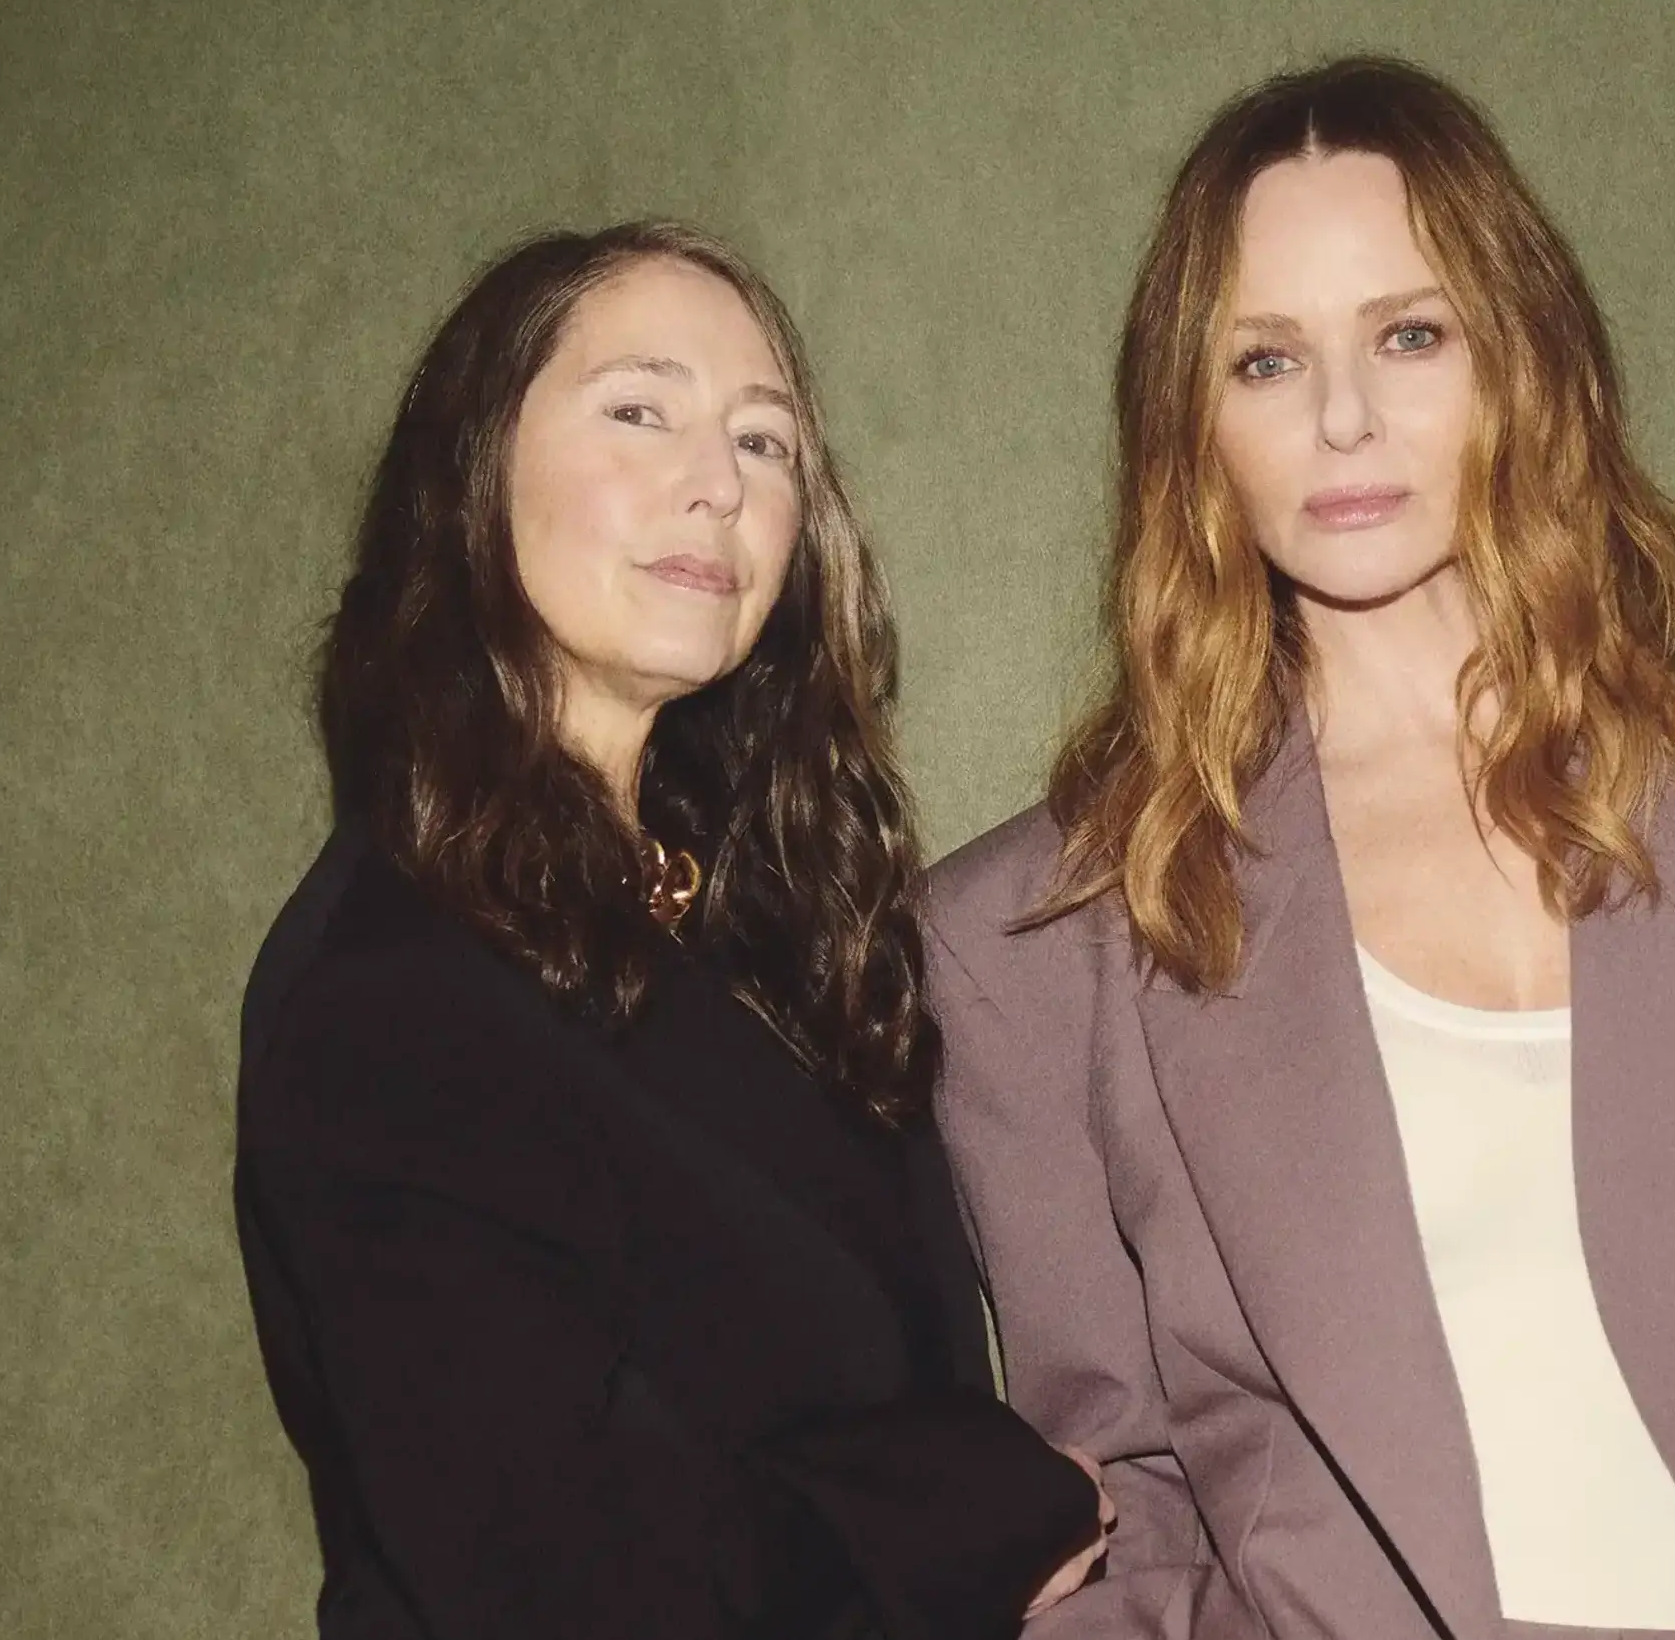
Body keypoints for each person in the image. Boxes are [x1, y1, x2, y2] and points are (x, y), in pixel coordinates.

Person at [927, 58, 1675, 1640]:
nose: (1343, 415)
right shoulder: (1042, 939)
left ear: (1523, 352)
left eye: (1409, 334)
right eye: (1265, 359)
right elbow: (1123, 1512)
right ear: (1190, 422)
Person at [234, 220, 1110, 1640]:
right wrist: (983, 1508)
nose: (717, 482)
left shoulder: (761, 930)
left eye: (764, 442)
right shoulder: (387, 992)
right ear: (473, 473)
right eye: (639, 411)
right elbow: (568, 1580)